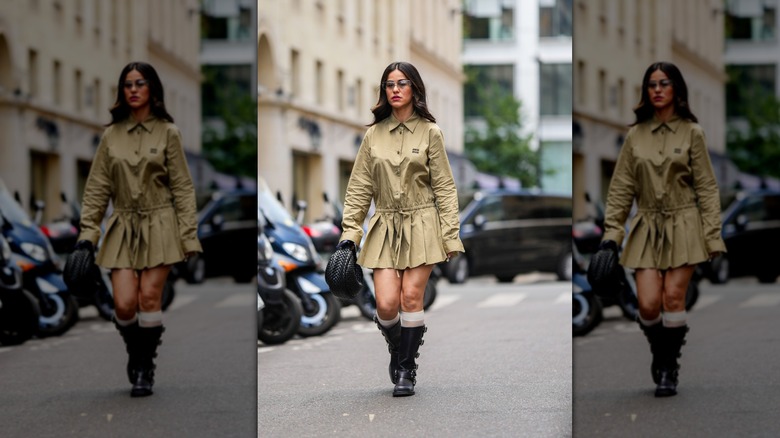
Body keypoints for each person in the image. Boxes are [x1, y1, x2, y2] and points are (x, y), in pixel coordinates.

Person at [600, 62, 726, 397]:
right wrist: (612, 236)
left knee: (673, 296)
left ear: (676, 89)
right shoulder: (635, 135)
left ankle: (669, 368)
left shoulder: (692, 133)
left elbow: (707, 188)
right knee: (648, 304)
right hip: (646, 224)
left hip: (684, 222)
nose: (657, 89)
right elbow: (621, 188)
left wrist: (712, 234)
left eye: (664, 83)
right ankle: (660, 352)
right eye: (651, 84)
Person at [339, 61, 464, 397]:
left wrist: (450, 233)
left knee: (411, 296)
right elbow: (359, 188)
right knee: (386, 305)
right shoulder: (373, 135)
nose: (394, 89)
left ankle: (406, 369)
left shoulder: (430, 132)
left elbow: (444, 187)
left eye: (402, 83)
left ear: (414, 90)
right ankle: (399, 349)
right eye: (389, 84)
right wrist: (350, 235)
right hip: (384, 223)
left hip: (423, 221)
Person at [77, 61, 202, 397]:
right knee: (123, 304)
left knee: (148, 296)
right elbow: (97, 188)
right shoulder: (111, 135)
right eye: (127, 84)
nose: (132, 89)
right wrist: (87, 236)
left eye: (140, 83)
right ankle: (136, 352)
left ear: (152, 89)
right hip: (122, 223)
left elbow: (182, 188)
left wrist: (188, 235)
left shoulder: (168, 132)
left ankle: (144, 368)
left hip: (160, 221)